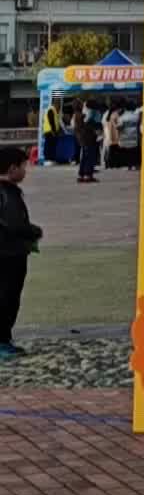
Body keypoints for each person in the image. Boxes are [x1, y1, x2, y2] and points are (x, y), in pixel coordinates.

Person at [0, 146, 41, 359]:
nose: (25, 171)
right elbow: (14, 223)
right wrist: (33, 231)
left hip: (8, 251)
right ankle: (1, 341)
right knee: (7, 296)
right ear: (12, 169)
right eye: (23, 167)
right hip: (9, 253)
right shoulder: (7, 193)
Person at [74, 100, 101, 184]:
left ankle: (81, 175)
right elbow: (93, 125)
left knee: (85, 156)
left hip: (83, 138)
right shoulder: (92, 113)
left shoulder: (81, 114)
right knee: (90, 156)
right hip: (89, 138)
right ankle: (88, 175)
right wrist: (97, 131)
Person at [114, 101, 141, 171]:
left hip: (125, 137)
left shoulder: (122, 117)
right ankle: (134, 165)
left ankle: (128, 166)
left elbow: (119, 127)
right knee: (133, 152)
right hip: (134, 137)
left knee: (126, 152)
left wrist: (115, 125)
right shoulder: (136, 116)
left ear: (125, 108)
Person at [39, 100, 60, 167]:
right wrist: (53, 131)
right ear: (54, 104)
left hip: (51, 131)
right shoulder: (51, 110)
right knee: (49, 146)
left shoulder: (53, 110)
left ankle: (51, 159)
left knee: (52, 146)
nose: (58, 106)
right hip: (49, 131)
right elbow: (51, 121)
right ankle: (47, 160)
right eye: (57, 104)